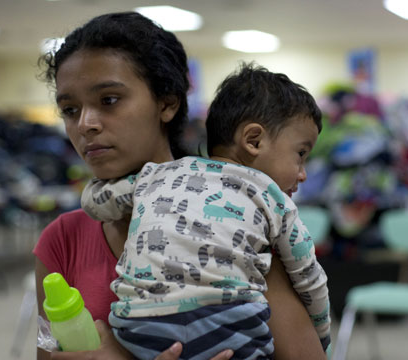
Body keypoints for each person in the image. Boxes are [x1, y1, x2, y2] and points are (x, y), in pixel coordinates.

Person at [34, 11, 327, 360]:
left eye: (109, 100)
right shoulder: (62, 240)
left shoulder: (237, 219)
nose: (86, 124)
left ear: (167, 103)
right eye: (69, 109)